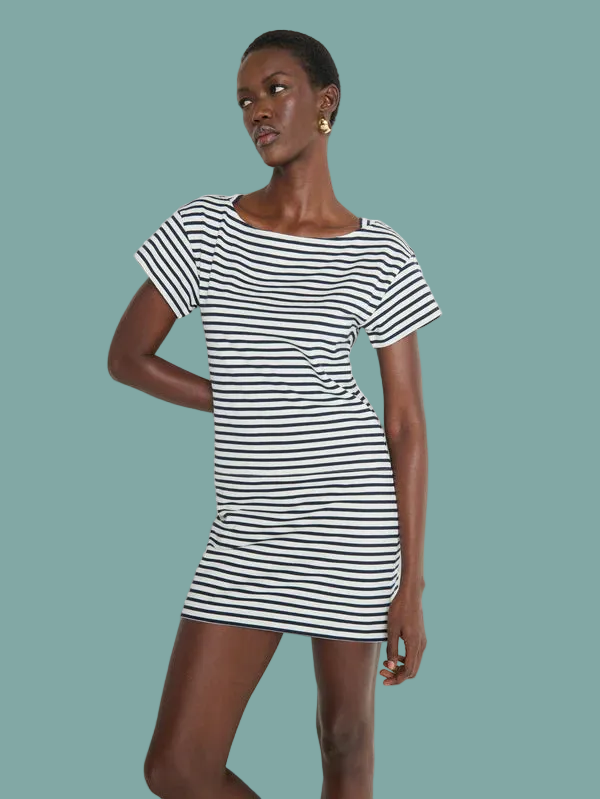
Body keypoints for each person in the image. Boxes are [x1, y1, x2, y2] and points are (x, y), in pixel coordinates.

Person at [108, 29, 442, 799]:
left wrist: (411, 587)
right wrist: (236, 397)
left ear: (326, 102)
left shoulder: (380, 252)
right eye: (244, 100)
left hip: (350, 519)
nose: (257, 110)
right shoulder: (203, 227)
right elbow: (127, 355)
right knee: (177, 765)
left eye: (275, 89)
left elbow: (405, 425)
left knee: (344, 738)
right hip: (247, 527)